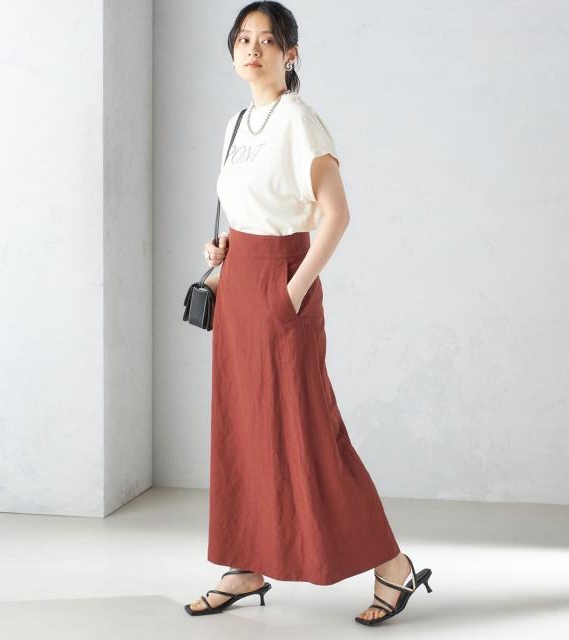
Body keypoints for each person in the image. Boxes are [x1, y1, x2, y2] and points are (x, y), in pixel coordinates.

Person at [184, 1, 432, 625]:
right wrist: (225, 247)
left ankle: (393, 565)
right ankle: (245, 565)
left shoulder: (299, 120)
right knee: (242, 427)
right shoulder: (237, 123)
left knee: (310, 433)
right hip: (240, 286)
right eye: (243, 38)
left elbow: (335, 215)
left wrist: (291, 292)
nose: (253, 49)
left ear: (289, 53)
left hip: (279, 285)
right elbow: (255, 205)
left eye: (268, 40)